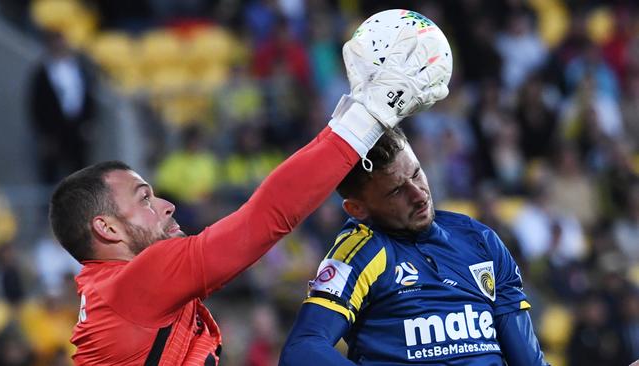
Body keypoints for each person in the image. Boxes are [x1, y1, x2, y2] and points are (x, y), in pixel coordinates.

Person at [47, 34, 450, 365]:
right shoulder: (134, 283)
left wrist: (349, 116)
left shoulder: (112, 293)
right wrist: (369, 116)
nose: (167, 205)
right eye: (145, 198)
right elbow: (264, 217)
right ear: (107, 227)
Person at [279, 127, 549, 365]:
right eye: (397, 191)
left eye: (417, 174)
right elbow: (301, 350)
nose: (420, 195)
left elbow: (528, 361)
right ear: (357, 208)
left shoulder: (481, 241)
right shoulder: (360, 252)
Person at [28, 31, 96, 184]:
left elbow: (89, 97)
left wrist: (89, 122)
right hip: (53, 132)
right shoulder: (42, 73)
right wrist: (44, 133)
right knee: (51, 176)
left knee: (80, 175)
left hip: (77, 129)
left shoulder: (80, 69)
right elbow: (36, 105)